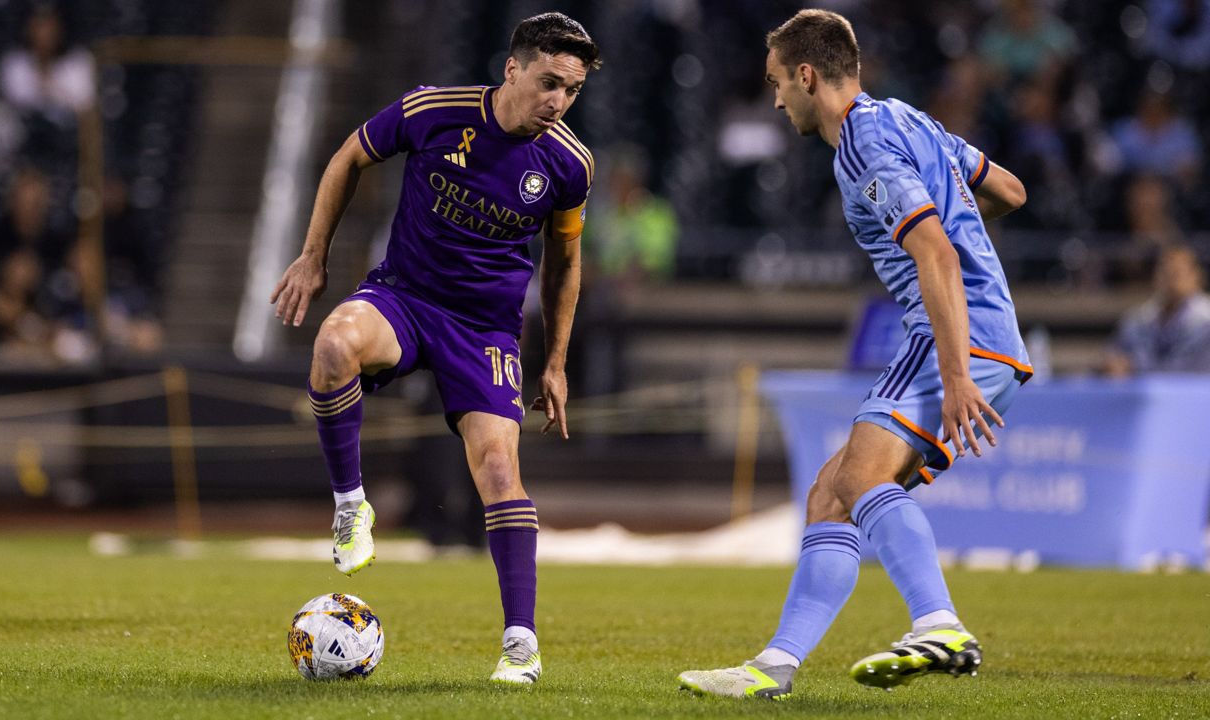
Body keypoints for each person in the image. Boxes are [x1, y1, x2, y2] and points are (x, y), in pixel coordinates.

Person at [679, 9, 1031, 700]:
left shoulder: (862, 147)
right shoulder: (909, 119)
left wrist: (957, 372)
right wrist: (954, 223)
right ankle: (773, 667)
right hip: (983, 332)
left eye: (778, 82)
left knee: (863, 475)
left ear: (807, 76)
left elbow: (933, 251)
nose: (776, 99)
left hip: (957, 337)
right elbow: (1011, 191)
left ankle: (939, 624)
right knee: (829, 494)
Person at [269, 12, 600, 685]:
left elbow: (566, 261)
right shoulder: (434, 111)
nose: (558, 101)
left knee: (500, 473)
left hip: (484, 331)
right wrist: (312, 256)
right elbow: (348, 156)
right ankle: (348, 508)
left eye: (571, 90)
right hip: (404, 300)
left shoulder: (569, 164)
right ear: (512, 68)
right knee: (334, 343)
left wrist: (556, 362)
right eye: (548, 83)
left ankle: (521, 647)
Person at [1103, 245, 1210, 376]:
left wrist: (1135, 367)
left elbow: (1192, 371)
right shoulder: (1138, 319)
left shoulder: (1206, 321)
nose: (1170, 280)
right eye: (1164, 272)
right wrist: (1114, 364)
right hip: (1141, 394)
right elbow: (1115, 352)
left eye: (1176, 273)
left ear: (1196, 276)